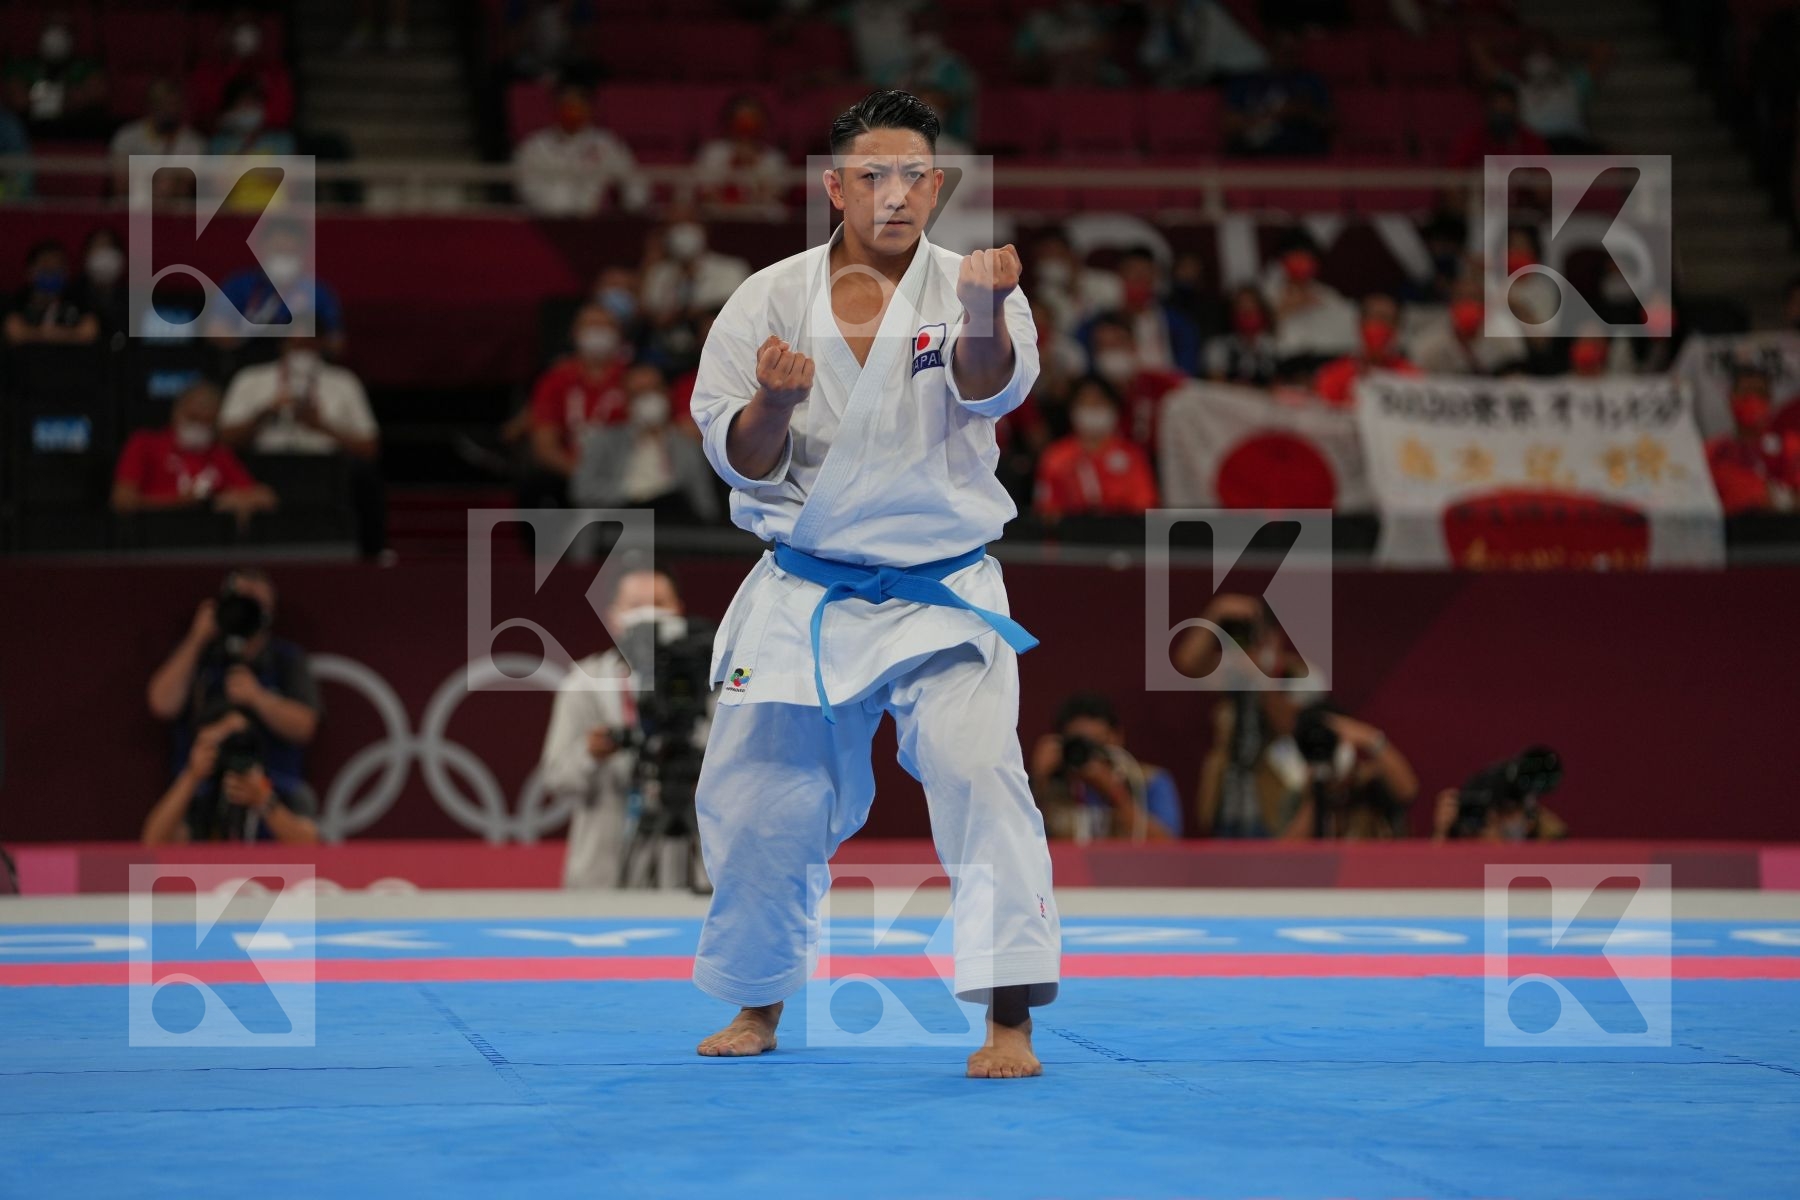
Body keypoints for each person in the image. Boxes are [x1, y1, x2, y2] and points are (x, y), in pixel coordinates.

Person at [686, 90, 1059, 1077]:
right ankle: (759, 1006)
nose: (894, 195)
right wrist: (772, 400)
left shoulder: (978, 282)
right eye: (872, 176)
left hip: (944, 589)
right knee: (766, 803)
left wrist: (981, 311)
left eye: (913, 177)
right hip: (808, 587)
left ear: (937, 185)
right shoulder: (763, 300)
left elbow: (991, 388)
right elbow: (739, 459)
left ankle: (1007, 1020)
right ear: (834, 186)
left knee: (982, 776)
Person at [539, 569, 709, 888]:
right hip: (604, 871)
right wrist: (590, 753)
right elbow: (556, 779)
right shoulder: (584, 683)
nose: (648, 614)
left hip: (692, 872)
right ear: (614, 617)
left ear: (679, 611)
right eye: (635, 605)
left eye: (659, 602)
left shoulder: (709, 682)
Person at [146, 568, 322, 814]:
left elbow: (305, 726)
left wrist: (258, 698)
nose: (245, 612)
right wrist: (197, 638)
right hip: (203, 780)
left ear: (270, 611)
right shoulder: (201, 655)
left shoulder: (285, 659)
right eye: (239, 602)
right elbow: (162, 704)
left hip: (270, 783)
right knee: (170, 815)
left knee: (302, 802)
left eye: (256, 604)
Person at [219, 336, 386, 557]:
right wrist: (265, 412)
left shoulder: (344, 381)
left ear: (321, 344)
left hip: (326, 467)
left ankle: (372, 555)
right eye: (296, 343)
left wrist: (321, 426)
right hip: (264, 465)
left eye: (308, 343)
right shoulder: (252, 378)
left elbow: (370, 447)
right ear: (282, 343)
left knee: (364, 476)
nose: (302, 351)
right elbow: (224, 439)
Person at [570, 362, 721, 523]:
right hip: (619, 518)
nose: (648, 399)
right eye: (639, 394)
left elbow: (706, 506)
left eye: (653, 390)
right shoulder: (604, 441)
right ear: (627, 401)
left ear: (666, 393)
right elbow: (581, 490)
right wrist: (633, 492)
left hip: (670, 522)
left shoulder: (688, 447)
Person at [142, 711, 320, 845]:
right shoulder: (204, 797)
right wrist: (191, 775)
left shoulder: (289, 792)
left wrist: (264, 801)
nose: (235, 754)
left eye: (242, 744)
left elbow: (311, 846)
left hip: (276, 889)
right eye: (227, 746)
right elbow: (153, 842)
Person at [112, 381, 278, 524]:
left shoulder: (219, 453)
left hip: (206, 543)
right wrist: (182, 503)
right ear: (177, 413)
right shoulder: (144, 443)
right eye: (193, 418)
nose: (198, 427)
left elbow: (265, 497)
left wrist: (225, 501)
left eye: (207, 422)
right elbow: (123, 501)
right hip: (153, 538)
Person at [1029, 692, 1182, 841]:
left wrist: (1116, 794)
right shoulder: (1050, 786)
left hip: (1128, 866)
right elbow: (1020, 843)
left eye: (1096, 744)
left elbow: (1167, 845)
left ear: (1117, 738)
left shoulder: (1147, 781)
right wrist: (1038, 781)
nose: (1089, 756)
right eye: (1079, 745)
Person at [525, 303, 631, 504]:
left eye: (606, 326)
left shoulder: (632, 379)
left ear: (619, 334)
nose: (598, 333)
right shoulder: (555, 380)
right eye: (591, 326)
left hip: (619, 471)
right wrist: (582, 474)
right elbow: (545, 446)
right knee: (538, 488)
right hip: (569, 469)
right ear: (575, 334)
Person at [215, 220, 347, 358]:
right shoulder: (239, 285)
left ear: (302, 253)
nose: (283, 259)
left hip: (301, 361)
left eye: (290, 253)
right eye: (278, 251)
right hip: (249, 363)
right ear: (262, 248)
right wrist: (254, 337)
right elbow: (216, 330)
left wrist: (303, 340)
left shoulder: (318, 292)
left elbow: (336, 342)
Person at [1032, 375, 1159, 519]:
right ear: (1072, 410)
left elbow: (1144, 507)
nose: (1092, 409)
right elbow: (1046, 512)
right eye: (1085, 403)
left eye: (1098, 403)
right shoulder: (1055, 456)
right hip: (1070, 537)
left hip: (1122, 535)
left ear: (1112, 408)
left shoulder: (1133, 455)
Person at [514, 84, 646, 216]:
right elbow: (527, 188)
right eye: (567, 106)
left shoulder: (607, 144)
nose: (572, 111)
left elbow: (634, 183)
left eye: (578, 106)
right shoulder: (534, 146)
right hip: (546, 221)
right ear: (556, 108)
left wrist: (631, 212)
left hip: (593, 222)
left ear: (589, 109)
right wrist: (558, 210)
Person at [1222, 30, 1334, 158]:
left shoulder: (1311, 81)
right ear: (1269, 49)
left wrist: (1304, 110)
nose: (1287, 56)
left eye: (1292, 51)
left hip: (1302, 154)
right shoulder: (1245, 82)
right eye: (1282, 49)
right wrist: (1273, 115)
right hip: (1254, 153)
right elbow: (1228, 124)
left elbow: (1329, 122)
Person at [1706, 366, 1800, 513]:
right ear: (1732, 398)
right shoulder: (1712, 451)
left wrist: (1781, 500)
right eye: (1746, 393)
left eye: (1760, 393)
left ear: (1770, 400)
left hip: (1778, 530)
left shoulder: (1789, 446)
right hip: (1728, 530)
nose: (1753, 399)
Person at [3, 14, 108, 139]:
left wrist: (35, 98)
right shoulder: (21, 67)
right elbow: (19, 101)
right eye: (52, 27)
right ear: (41, 32)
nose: (56, 35)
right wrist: (66, 99)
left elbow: (95, 94)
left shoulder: (87, 67)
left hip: (76, 134)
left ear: (73, 35)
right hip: (30, 134)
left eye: (63, 28)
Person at [1313, 293, 1418, 407]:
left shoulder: (1412, 378)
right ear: (1360, 323)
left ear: (1397, 327)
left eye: (1387, 319)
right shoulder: (1332, 375)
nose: (1380, 326)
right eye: (1374, 318)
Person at [692, 95, 790, 215]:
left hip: (759, 215)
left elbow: (775, 194)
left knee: (778, 212)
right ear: (729, 120)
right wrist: (734, 162)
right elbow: (705, 191)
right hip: (719, 213)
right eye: (741, 119)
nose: (747, 124)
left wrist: (753, 164)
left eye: (753, 118)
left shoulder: (773, 158)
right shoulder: (713, 151)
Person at [110, 78, 206, 195]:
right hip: (131, 207)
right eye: (161, 103)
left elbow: (183, 189)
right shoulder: (126, 137)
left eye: (172, 104)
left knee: (166, 183)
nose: (167, 110)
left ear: (181, 106)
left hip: (173, 210)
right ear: (150, 105)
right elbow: (120, 185)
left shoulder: (193, 143)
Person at [3, 240, 98, 346]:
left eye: (57, 267)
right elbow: (15, 333)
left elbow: (88, 333)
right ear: (30, 271)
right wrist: (67, 334)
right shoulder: (19, 299)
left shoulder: (78, 298)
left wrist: (39, 334)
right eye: (46, 267)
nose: (52, 272)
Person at [1205, 285, 1282, 386]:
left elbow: (1277, 385)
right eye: (1242, 311)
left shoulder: (1272, 347)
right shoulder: (1218, 347)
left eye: (1252, 311)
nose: (1247, 315)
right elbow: (1216, 385)